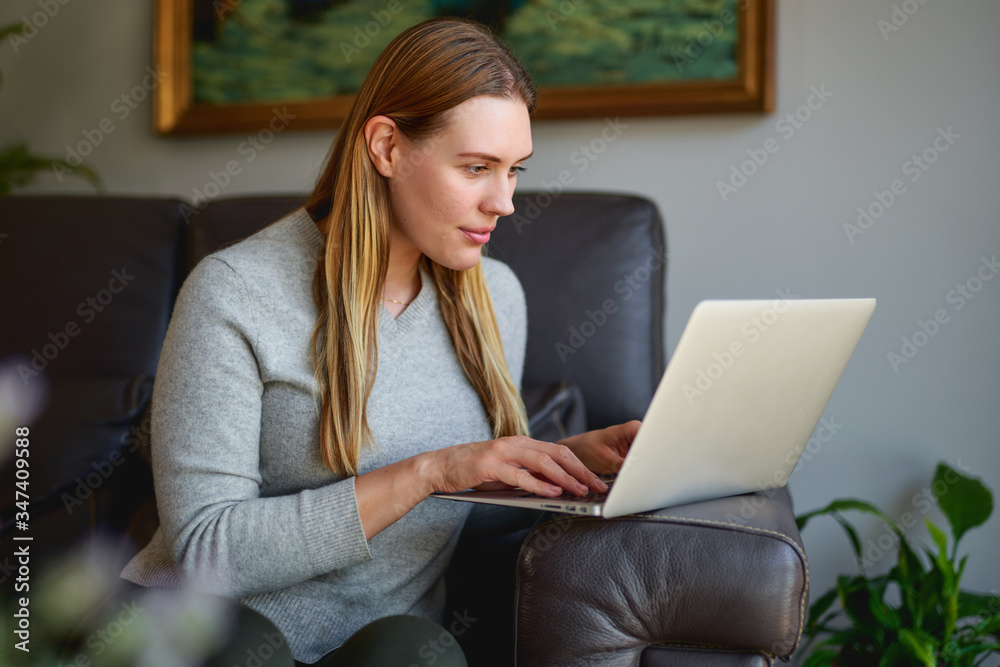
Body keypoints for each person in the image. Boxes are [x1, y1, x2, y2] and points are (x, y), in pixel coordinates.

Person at [118, 16, 640, 666]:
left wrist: (562, 465)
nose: (503, 201)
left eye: (514, 171)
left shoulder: (495, 298)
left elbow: (452, 519)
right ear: (387, 146)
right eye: (477, 167)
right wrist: (427, 472)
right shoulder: (235, 292)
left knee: (418, 650)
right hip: (211, 636)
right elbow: (206, 551)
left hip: (380, 646)